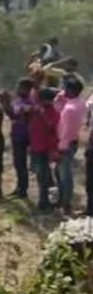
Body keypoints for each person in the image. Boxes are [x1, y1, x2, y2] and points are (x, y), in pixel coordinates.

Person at [1, 78, 35, 199]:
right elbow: (12, 115)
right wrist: (6, 105)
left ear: (26, 89)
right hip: (16, 135)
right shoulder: (19, 100)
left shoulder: (28, 103)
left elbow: (17, 114)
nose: (17, 89)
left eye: (20, 87)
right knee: (18, 163)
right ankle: (19, 187)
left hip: (22, 136)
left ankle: (23, 190)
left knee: (21, 164)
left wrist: (6, 104)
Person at [56, 78, 85, 215]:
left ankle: (66, 203)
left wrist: (61, 147)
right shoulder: (79, 103)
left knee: (65, 175)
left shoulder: (68, 109)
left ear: (71, 90)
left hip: (65, 145)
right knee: (60, 172)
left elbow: (66, 131)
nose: (63, 91)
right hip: (73, 142)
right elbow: (58, 102)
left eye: (65, 88)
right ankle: (63, 200)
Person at [29, 88, 60, 213]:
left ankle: (44, 204)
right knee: (43, 176)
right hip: (35, 147)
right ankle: (50, 199)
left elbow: (50, 127)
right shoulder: (38, 111)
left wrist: (39, 114)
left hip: (44, 148)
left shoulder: (53, 113)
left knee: (43, 177)